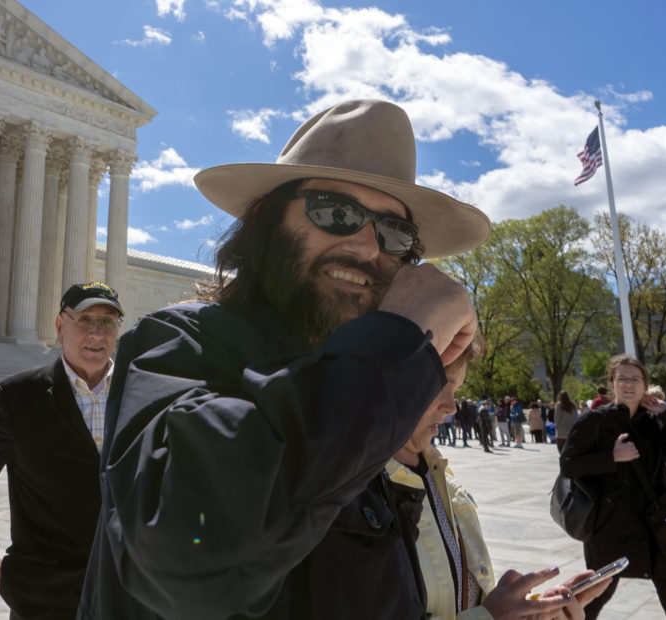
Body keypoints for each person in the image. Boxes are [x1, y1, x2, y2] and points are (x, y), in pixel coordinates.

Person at [77, 99, 500, 619]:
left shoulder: (364, 389)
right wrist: (397, 340)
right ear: (266, 221)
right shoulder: (180, 342)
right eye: (336, 213)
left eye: (396, 233)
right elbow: (185, 545)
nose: (368, 247)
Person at [387, 333, 607, 619]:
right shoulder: (355, 491)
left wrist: (530, 611)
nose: (451, 406)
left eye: (456, 389)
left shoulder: (438, 470)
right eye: (440, 386)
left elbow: (461, 594)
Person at [0, 282, 124, 619]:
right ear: (60, 326)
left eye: (108, 322)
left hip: (127, 595)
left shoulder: (137, 393)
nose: (97, 334)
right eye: (85, 320)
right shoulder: (20, 397)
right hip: (45, 598)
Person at [560, 354, 666, 619]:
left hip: (657, 525)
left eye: (635, 379)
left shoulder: (654, 422)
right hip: (611, 528)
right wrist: (611, 458)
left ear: (645, 385)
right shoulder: (595, 420)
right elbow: (569, 464)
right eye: (622, 378)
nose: (629, 384)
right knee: (596, 596)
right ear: (612, 383)